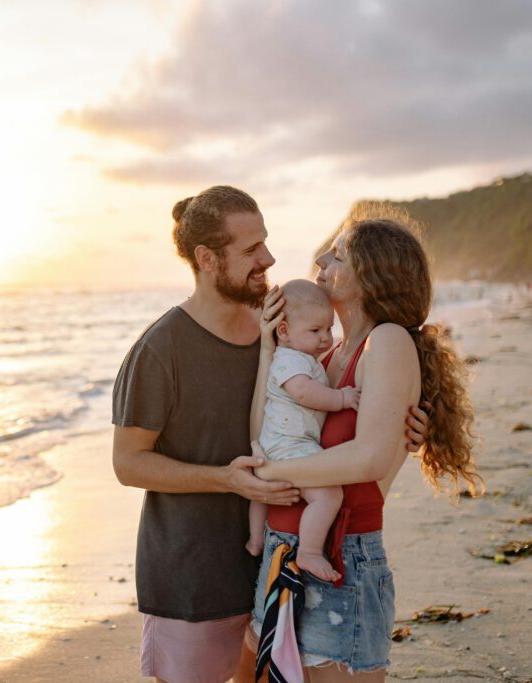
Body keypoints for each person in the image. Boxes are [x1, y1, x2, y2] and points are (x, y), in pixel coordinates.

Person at [112, 187, 429, 683]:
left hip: (277, 561)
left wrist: (402, 433)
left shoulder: (290, 329)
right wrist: (231, 479)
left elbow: (348, 429)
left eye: (267, 242)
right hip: (197, 573)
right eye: (252, 250)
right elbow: (128, 463)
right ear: (207, 259)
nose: (271, 259)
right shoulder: (160, 349)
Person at [237, 208, 483, 683]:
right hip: (284, 549)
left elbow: (368, 458)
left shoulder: (386, 342)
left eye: (341, 252)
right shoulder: (325, 354)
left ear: (371, 275)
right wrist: (270, 351)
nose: (324, 256)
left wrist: (263, 475)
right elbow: (265, 432)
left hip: (340, 558)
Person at [246, 279, 358, 584]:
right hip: (291, 445)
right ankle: (309, 551)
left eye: (328, 329)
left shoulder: (303, 358)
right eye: (315, 331)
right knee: (328, 495)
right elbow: (305, 393)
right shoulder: (290, 360)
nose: (325, 338)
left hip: (276, 445)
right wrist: (343, 398)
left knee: (260, 494)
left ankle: (256, 540)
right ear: (283, 331)